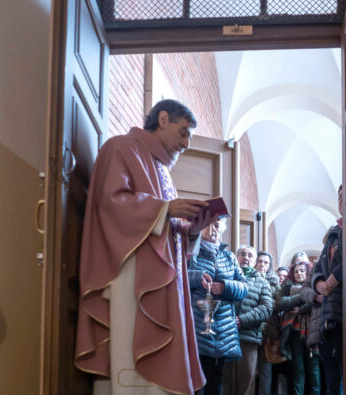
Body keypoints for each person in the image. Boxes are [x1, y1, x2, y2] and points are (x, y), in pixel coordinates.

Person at [75, 99, 216, 395]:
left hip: (164, 279)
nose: (187, 143)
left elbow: (167, 227)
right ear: (162, 119)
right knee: (131, 358)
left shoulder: (163, 171)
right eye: (183, 132)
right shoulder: (121, 148)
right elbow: (110, 202)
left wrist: (192, 230)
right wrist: (165, 209)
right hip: (131, 271)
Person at [189, 218, 248, 395]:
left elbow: (244, 287)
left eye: (216, 225)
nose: (211, 229)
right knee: (196, 383)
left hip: (223, 330)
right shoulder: (191, 252)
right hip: (196, 327)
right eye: (207, 224)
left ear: (222, 229)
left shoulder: (229, 256)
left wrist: (224, 286)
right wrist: (197, 277)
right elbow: (177, 275)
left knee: (217, 382)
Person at [303, 185, 343, 395]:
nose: (342, 198)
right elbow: (319, 267)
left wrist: (336, 277)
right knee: (331, 378)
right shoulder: (333, 235)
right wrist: (319, 283)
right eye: (339, 195)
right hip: (328, 315)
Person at [222, 246, 273, 395]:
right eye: (242, 254)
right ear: (236, 258)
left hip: (248, 338)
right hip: (224, 335)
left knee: (246, 382)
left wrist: (241, 320)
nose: (246, 258)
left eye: (250, 255)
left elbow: (266, 309)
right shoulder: (226, 276)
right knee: (224, 380)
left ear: (254, 261)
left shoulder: (262, 282)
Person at [276, 258, 322, 395]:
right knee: (298, 368)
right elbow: (280, 303)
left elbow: (318, 302)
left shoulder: (316, 286)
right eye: (296, 271)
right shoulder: (288, 287)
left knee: (313, 368)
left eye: (302, 271)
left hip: (313, 330)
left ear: (308, 272)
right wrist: (305, 298)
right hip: (294, 331)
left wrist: (300, 309)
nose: (299, 273)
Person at [253, 251, 280, 395]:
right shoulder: (247, 278)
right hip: (249, 330)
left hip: (268, 332)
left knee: (265, 372)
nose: (262, 265)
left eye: (266, 262)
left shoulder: (275, 283)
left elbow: (278, 303)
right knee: (248, 370)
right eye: (260, 261)